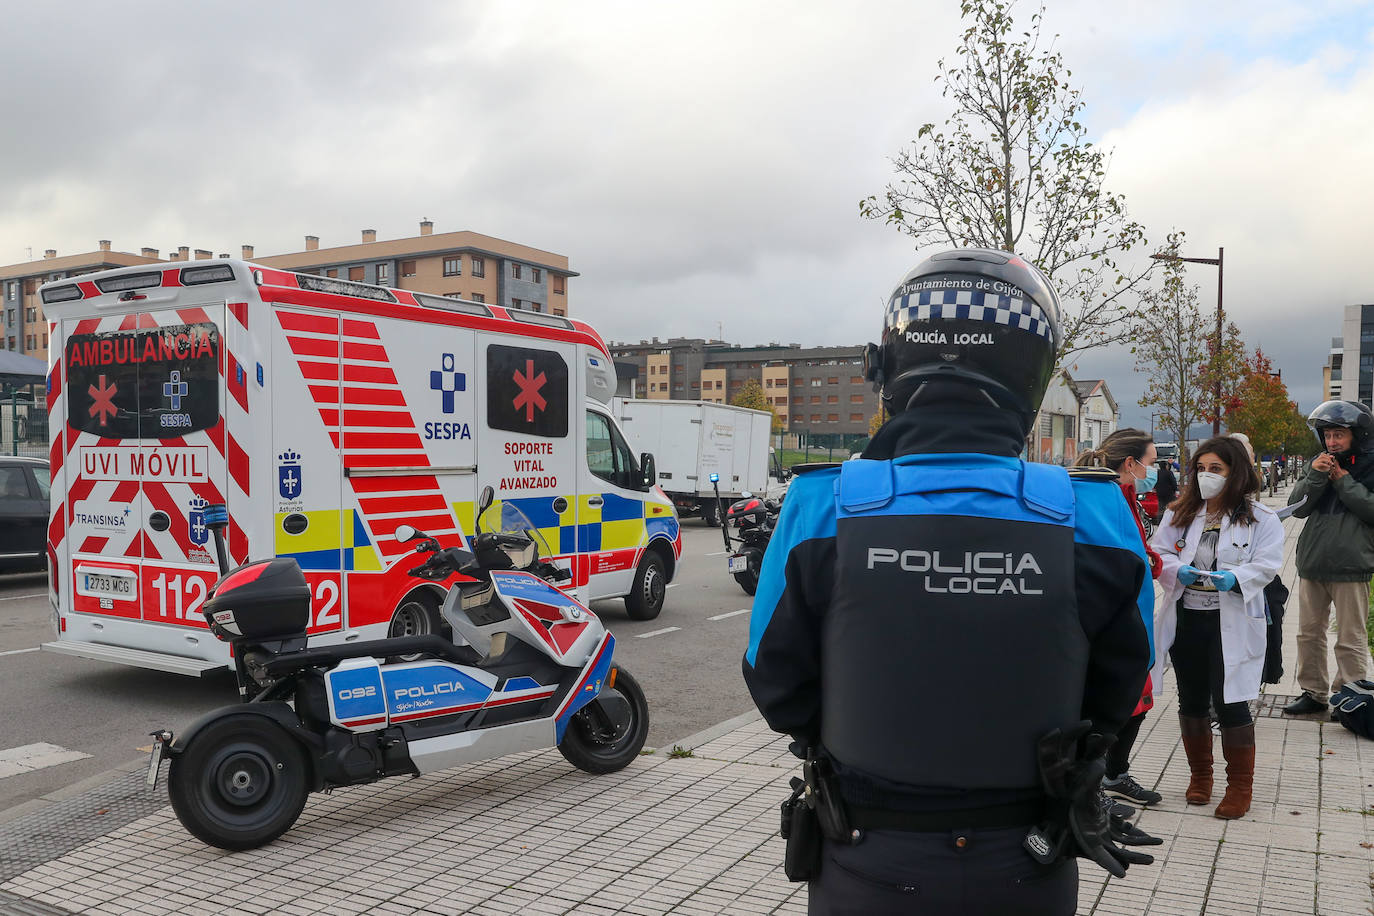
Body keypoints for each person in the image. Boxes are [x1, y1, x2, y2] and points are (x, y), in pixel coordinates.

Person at [743, 249, 1152, 915]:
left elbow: (774, 678)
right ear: (1032, 372)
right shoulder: (1092, 511)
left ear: (892, 367)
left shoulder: (825, 503)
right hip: (1027, 855)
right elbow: (1125, 685)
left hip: (866, 850)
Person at [1151, 436, 1284, 819]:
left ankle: (1240, 786)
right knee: (1190, 699)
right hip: (1188, 618)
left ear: (1235, 473)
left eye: (1217, 469)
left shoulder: (1262, 518)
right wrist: (1178, 570)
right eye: (1202, 469)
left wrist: (1236, 577)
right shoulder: (1180, 512)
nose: (1207, 476)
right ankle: (1200, 778)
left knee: (1231, 702)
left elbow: (1267, 563)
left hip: (1232, 620)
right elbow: (1159, 554)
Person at [1073, 429, 1162, 808]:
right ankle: (1097, 782)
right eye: (1152, 462)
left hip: (1121, 613)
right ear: (1131, 463)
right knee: (1118, 703)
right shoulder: (1108, 495)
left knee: (1135, 703)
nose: (1154, 470)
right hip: (1115, 617)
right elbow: (1122, 557)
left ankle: (1111, 774)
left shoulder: (1123, 494)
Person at [1282, 400, 1374, 717]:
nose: (1332, 442)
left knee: (1350, 637)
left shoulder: (1371, 466)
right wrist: (1317, 476)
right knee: (1308, 633)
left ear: (1356, 435)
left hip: (1352, 566)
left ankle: (1350, 696)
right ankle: (1313, 692)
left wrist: (1342, 480)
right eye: (1328, 435)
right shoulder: (1316, 464)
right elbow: (1298, 506)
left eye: (1339, 435)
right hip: (1312, 563)